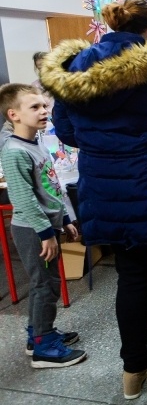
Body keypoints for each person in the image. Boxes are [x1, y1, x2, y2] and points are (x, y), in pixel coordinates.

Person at [38, 0, 147, 399]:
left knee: (132, 277)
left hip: (101, 189)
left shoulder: (75, 70)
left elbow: (67, 133)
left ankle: (131, 371)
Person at [0, 84, 85, 368]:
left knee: (48, 283)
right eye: (34, 107)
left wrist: (66, 219)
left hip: (47, 226)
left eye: (44, 106)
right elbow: (24, 199)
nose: (44, 111)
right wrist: (46, 233)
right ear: (14, 115)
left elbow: (52, 187)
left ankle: (36, 333)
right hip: (32, 229)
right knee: (44, 286)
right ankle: (43, 347)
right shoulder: (13, 151)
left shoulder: (36, 142)